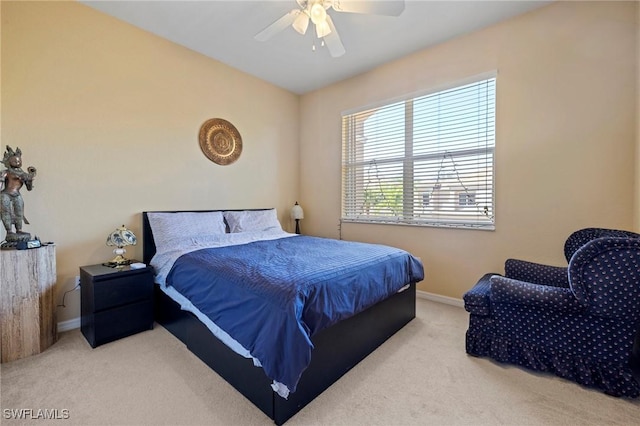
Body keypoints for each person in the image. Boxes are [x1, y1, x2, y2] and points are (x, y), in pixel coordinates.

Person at [1, 146, 37, 242]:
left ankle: (19, 230)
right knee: (6, 212)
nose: (17, 163)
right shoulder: (6, 172)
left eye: (19, 161)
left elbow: (29, 188)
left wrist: (30, 179)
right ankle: (9, 231)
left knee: (19, 212)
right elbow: (0, 183)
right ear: (9, 162)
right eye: (15, 161)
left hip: (16, 194)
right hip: (6, 194)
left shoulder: (23, 174)